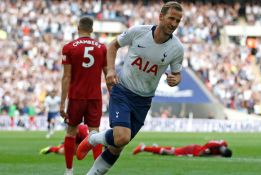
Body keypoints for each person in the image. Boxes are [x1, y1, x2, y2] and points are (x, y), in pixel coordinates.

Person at [77, 1, 184, 174]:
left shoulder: (177, 48)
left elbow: (177, 73)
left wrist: (175, 79)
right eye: (171, 18)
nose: (174, 24)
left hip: (143, 100)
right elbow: (112, 45)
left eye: (178, 21)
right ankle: (93, 138)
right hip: (123, 90)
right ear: (161, 17)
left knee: (117, 146)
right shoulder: (139, 32)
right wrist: (110, 69)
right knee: (122, 136)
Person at [60, 16, 107, 175]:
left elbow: (66, 77)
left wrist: (61, 104)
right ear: (92, 30)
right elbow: (108, 76)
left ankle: (69, 171)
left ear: (78, 28)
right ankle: (98, 170)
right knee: (95, 133)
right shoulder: (102, 48)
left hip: (76, 97)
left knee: (71, 132)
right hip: (94, 96)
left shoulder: (69, 47)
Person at [132, 140, 232, 158]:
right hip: (192, 150)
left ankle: (155, 148)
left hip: (194, 147)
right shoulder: (212, 148)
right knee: (169, 153)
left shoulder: (223, 143)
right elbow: (202, 154)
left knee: (174, 149)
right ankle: (143, 148)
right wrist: (215, 156)